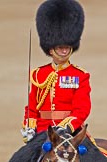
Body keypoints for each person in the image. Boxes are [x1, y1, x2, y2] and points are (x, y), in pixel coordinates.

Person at [21, 0, 91, 144]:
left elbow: (82, 108)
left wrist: (66, 127)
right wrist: (29, 126)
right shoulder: (38, 75)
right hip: (41, 132)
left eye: (67, 46)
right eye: (60, 47)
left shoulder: (80, 76)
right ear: (51, 49)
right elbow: (32, 107)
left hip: (70, 133)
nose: (64, 50)